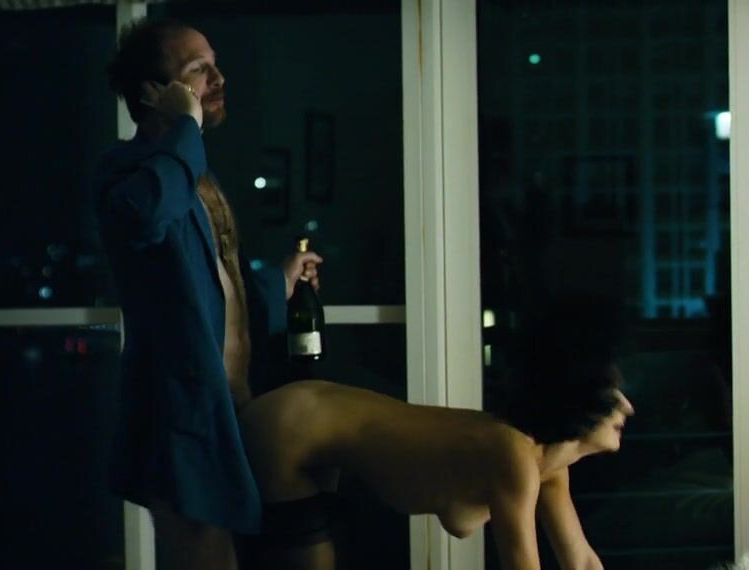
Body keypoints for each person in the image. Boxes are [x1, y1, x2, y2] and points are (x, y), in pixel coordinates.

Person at [94, 18, 322, 570]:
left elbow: (216, 289)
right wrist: (186, 126)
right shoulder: (129, 173)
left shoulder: (193, 173)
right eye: (199, 70)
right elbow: (147, 216)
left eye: (215, 65)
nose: (219, 79)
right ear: (155, 92)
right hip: (179, 416)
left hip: (231, 407)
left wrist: (280, 281)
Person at [236, 297, 635, 570]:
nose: (629, 408)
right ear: (584, 400)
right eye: (616, 397)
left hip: (316, 422)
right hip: (292, 424)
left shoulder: (550, 468)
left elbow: (582, 561)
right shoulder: (512, 454)